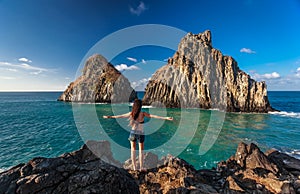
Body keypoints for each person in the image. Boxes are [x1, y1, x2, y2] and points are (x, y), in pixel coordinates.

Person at [103, 99, 173, 171]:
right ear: (140, 106)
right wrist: (166, 118)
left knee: (132, 150)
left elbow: (120, 116)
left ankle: (134, 167)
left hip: (133, 133)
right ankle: (141, 167)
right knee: (141, 151)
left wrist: (110, 117)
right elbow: (153, 116)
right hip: (140, 134)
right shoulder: (142, 114)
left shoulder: (132, 113)